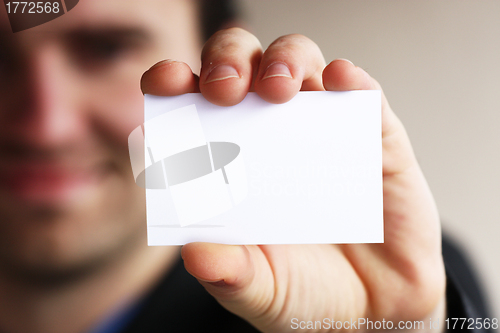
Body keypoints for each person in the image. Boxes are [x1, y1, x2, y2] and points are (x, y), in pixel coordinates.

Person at [0, 0, 492, 332]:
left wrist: (405, 326)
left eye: (107, 49)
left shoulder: (362, 274)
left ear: (210, 70)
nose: (46, 126)